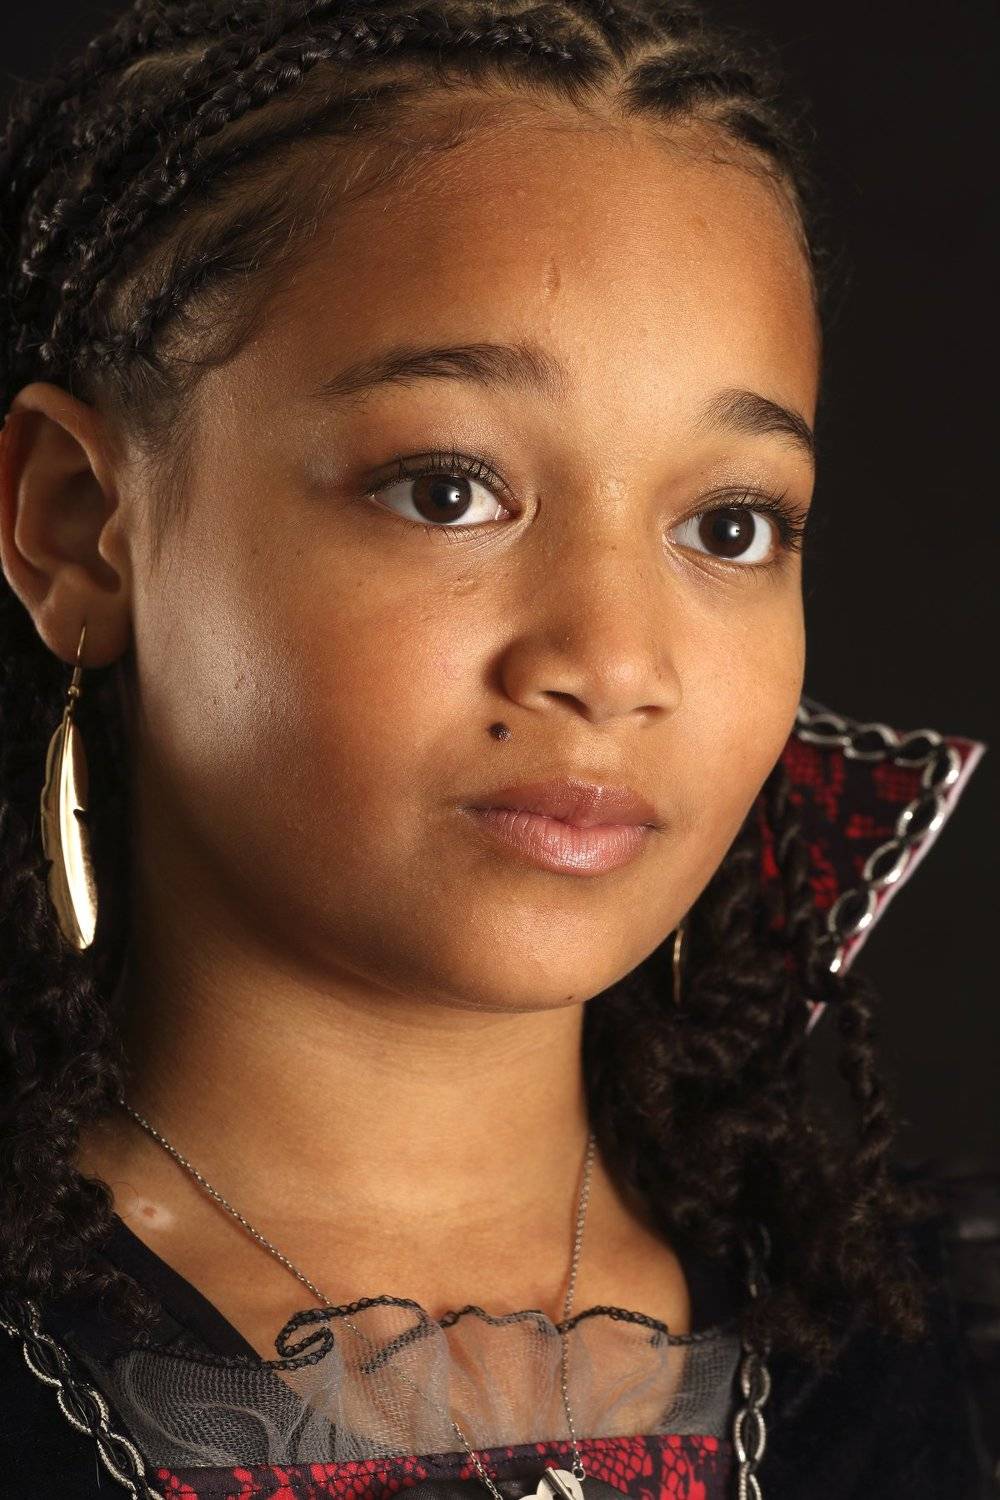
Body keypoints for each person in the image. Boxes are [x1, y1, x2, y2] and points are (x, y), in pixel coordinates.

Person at [0, 0, 990, 1496]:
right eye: (447, 490)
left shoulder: (911, 1340)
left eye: (729, 526)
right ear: (81, 527)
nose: (616, 662)